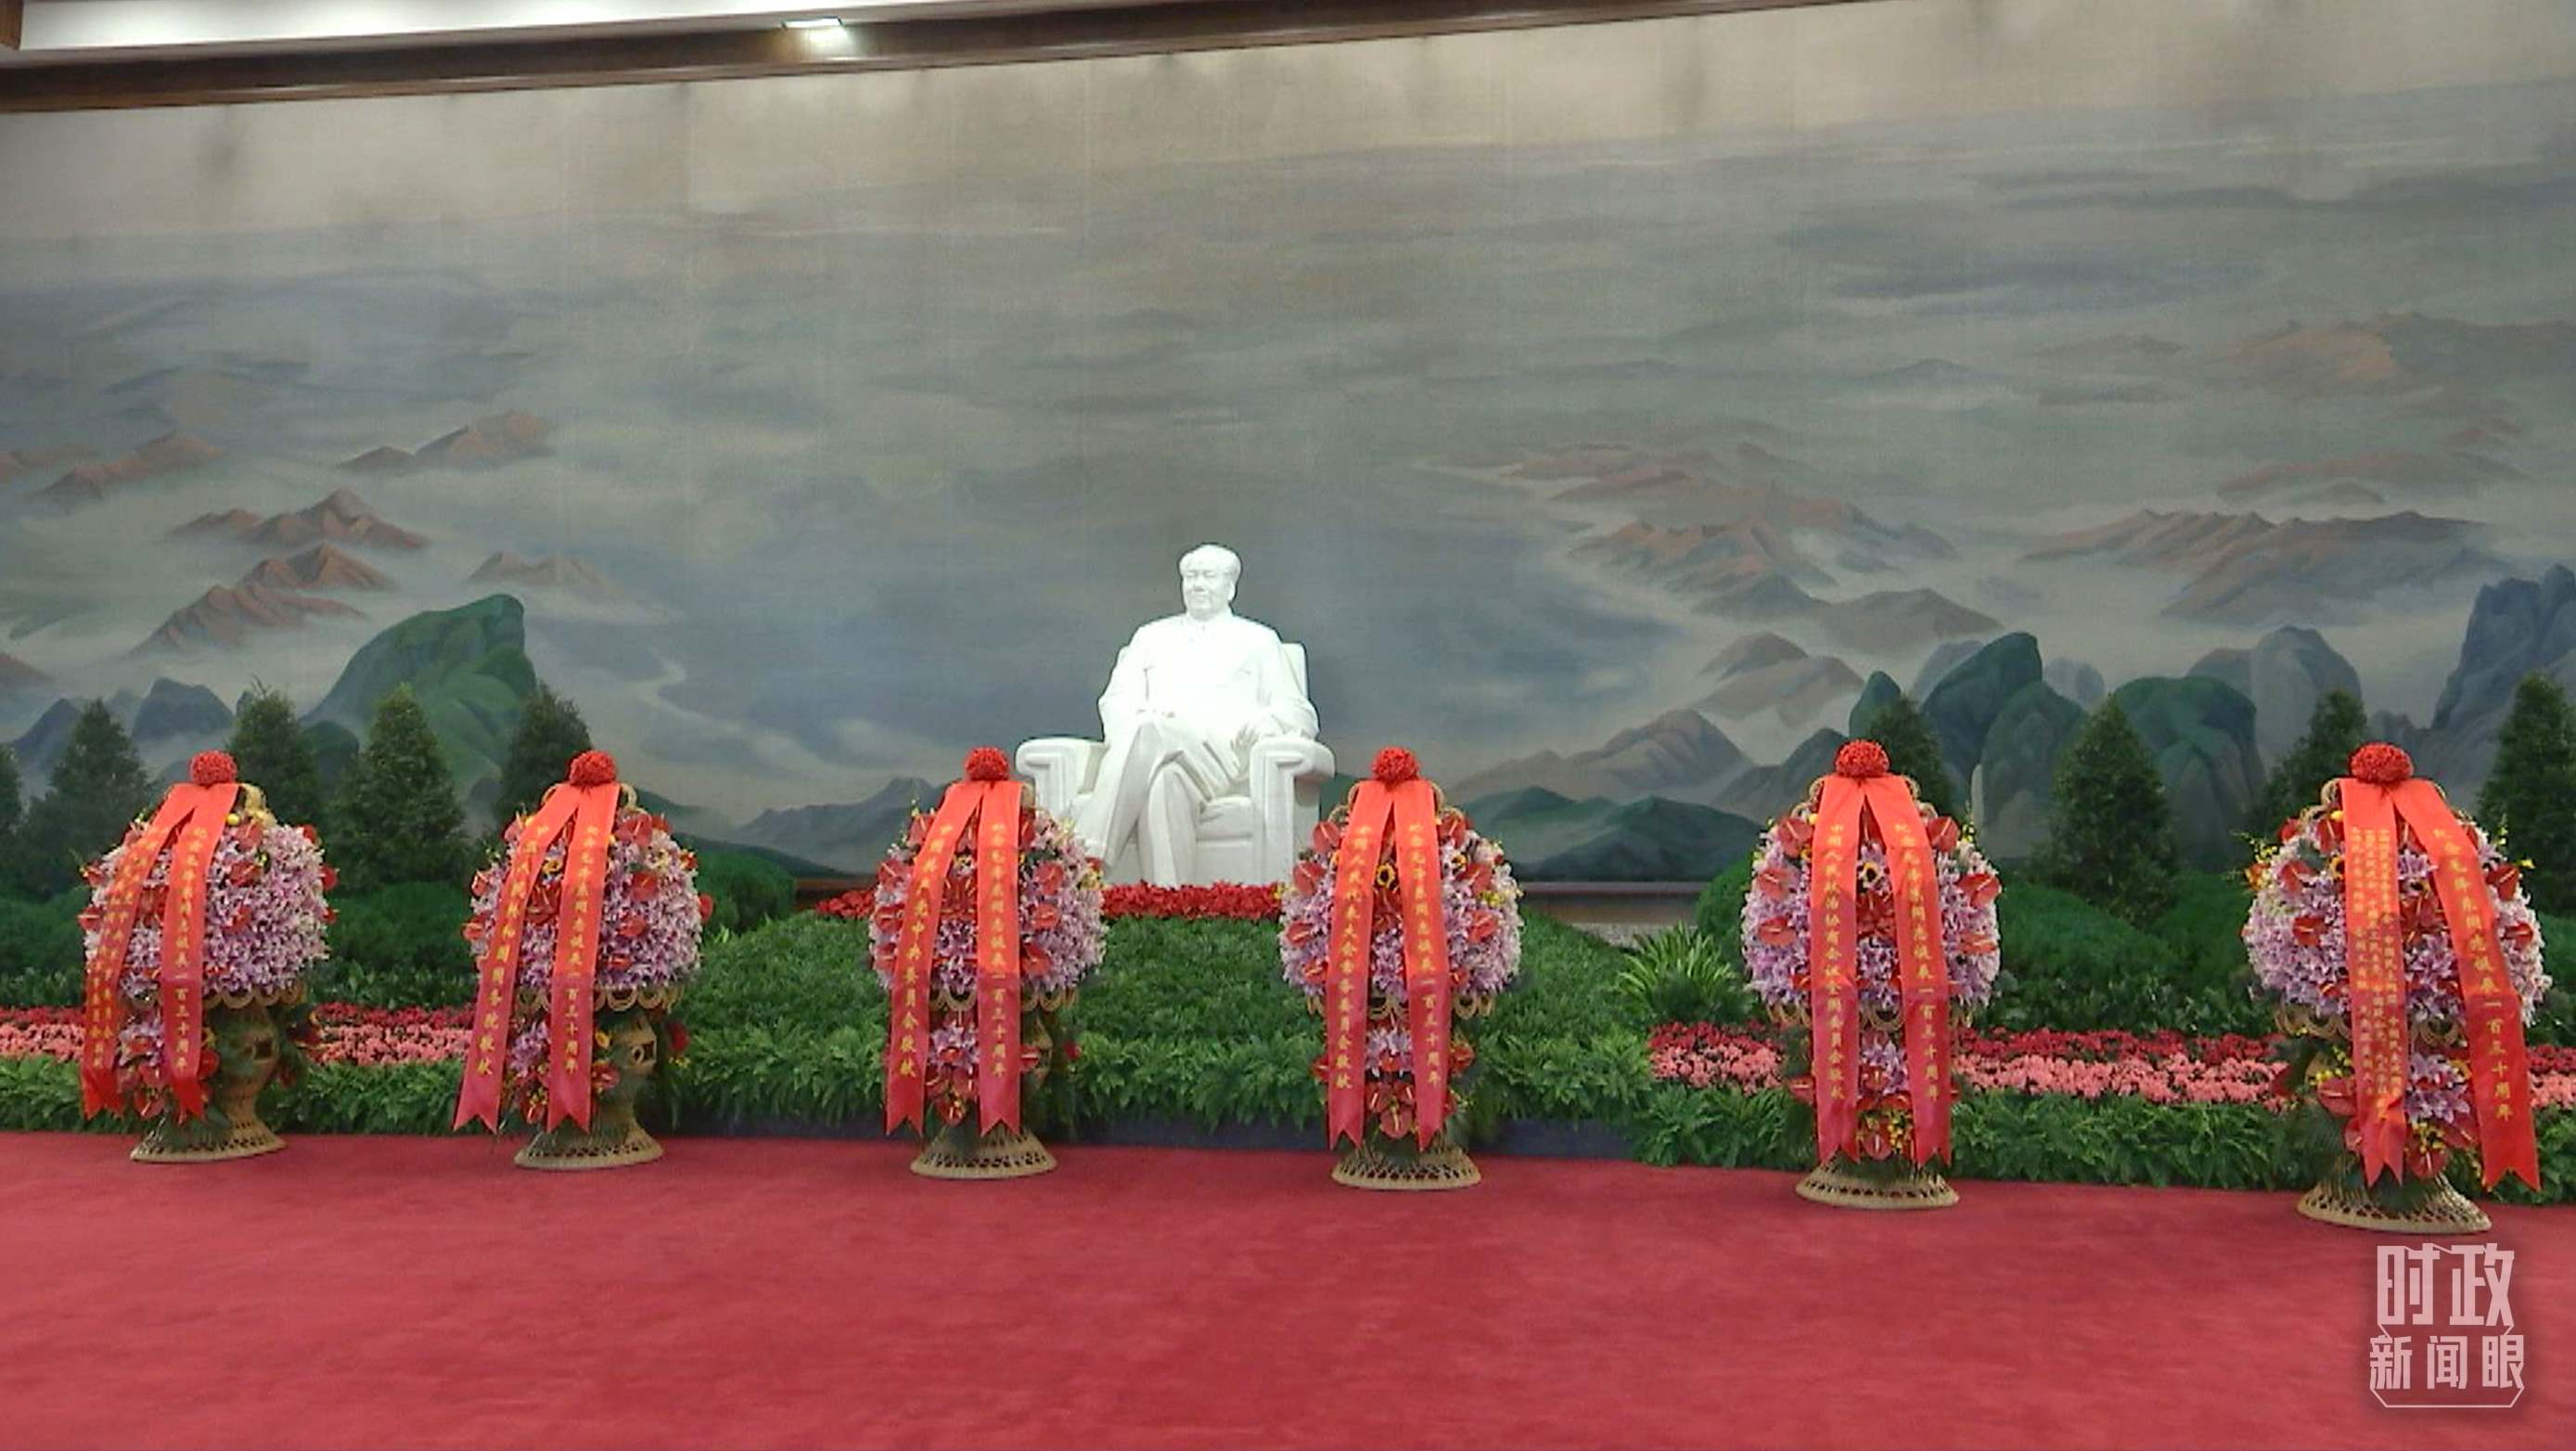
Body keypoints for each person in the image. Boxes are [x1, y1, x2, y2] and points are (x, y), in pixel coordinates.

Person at [1070, 544, 1318, 881]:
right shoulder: (1150, 637)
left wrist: (1271, 721)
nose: (1198, 584)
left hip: (1222, 762)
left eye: (1208, 576)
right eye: (1191, 576)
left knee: (1149, 729)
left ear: (1230, 587)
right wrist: (1139, 730)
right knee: (1163, 784)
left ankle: (1082, 858)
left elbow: (1301, 714)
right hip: (1158, 758)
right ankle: (1168, 904)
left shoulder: (1258, 640)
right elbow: (1115, 702)